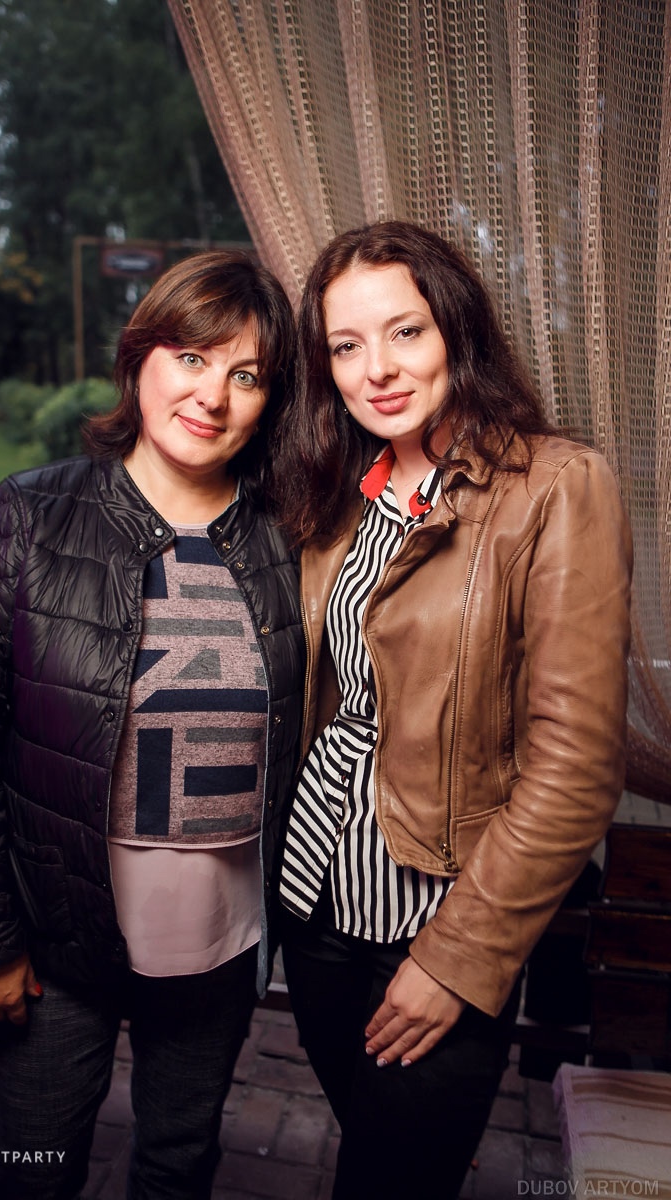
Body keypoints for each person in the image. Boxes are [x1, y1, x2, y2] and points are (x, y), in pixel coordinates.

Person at [0, 250, 304, 1200]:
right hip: (54, 940)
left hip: (219, 943)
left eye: (246, 374)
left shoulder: (287, 539)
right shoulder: (30, 516)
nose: (211, 394)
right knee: (36, 1173)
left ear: (268, 402)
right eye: (191, 356)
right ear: (140, 360)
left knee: (179, 1166)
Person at [272, 220, 632, 1200]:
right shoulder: (336, 492)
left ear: (456, 330)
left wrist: (459, 959)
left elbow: (575, 764)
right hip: (313, 903)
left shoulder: (555, 487)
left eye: (405, 332)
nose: (376, 370)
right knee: (379, 1156)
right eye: (346, 346)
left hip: (438, 918)